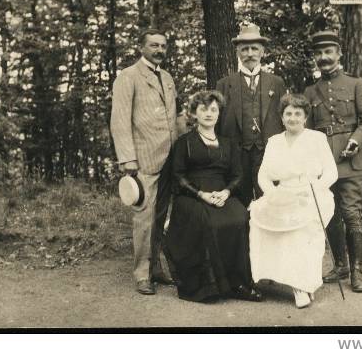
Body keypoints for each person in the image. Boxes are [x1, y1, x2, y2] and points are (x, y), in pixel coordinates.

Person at [164, 90, 262, 303]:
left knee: (239, 217)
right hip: (191, 195)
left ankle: (239, 283)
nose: (209, 113)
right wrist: (201, 195)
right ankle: (209, 286)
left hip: (221, 193)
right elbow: (178, 176)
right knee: (207, 221)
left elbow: (237, 175)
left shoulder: (228, 143)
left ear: (219, 114)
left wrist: (226, 192)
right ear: (194, 113)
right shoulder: (184, 142)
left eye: (213, 109)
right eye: (203, 109)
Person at [249, 93, 338, 308]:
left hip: (312, 193)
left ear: (305, 117)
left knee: (300, 229)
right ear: (281, 117)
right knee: (257, 217)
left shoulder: (317, 139)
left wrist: (313, 189)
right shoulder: (274, 142)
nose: (293, 118)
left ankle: (302, 286)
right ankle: (270, 275)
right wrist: (272, 194)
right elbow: (264, 176)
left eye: (298, 113)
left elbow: (331, 173)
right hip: (283, 193)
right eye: (288, 113)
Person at [304, 30, 362, 293]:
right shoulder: (310, 91)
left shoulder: (357, 85)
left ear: (338, 53)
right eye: (319, 53)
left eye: (328, 52)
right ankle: (340, 265)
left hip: (351, 161)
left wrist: (355, 142)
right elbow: (306, 130)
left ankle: (357, 272)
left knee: (352, 215)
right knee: (329, 214)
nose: (324, 57)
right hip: (323, 163)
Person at [110, 28, 177, 295]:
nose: (159, 50)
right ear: (141, 48)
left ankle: (156, 268)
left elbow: (173, 117)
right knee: (144, 218)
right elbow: (120, 120)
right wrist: (128, 159)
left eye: (163, 45)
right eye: (153, 45)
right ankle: (141, 274)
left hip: (169, 157)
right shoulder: (128, 77)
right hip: (144, 159)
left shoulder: (168, 77)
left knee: (162, 216)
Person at [216, 23, 286, 207]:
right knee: (238, 204)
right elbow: (217, 124)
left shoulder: (277, 83)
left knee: (270, 202)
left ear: (262, 52)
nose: (250, 53)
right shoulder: (224, 84)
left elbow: (285, 119)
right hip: (237, 155)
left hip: (268, 153)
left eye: (254, 48)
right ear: (238, 52)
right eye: (244, 49)